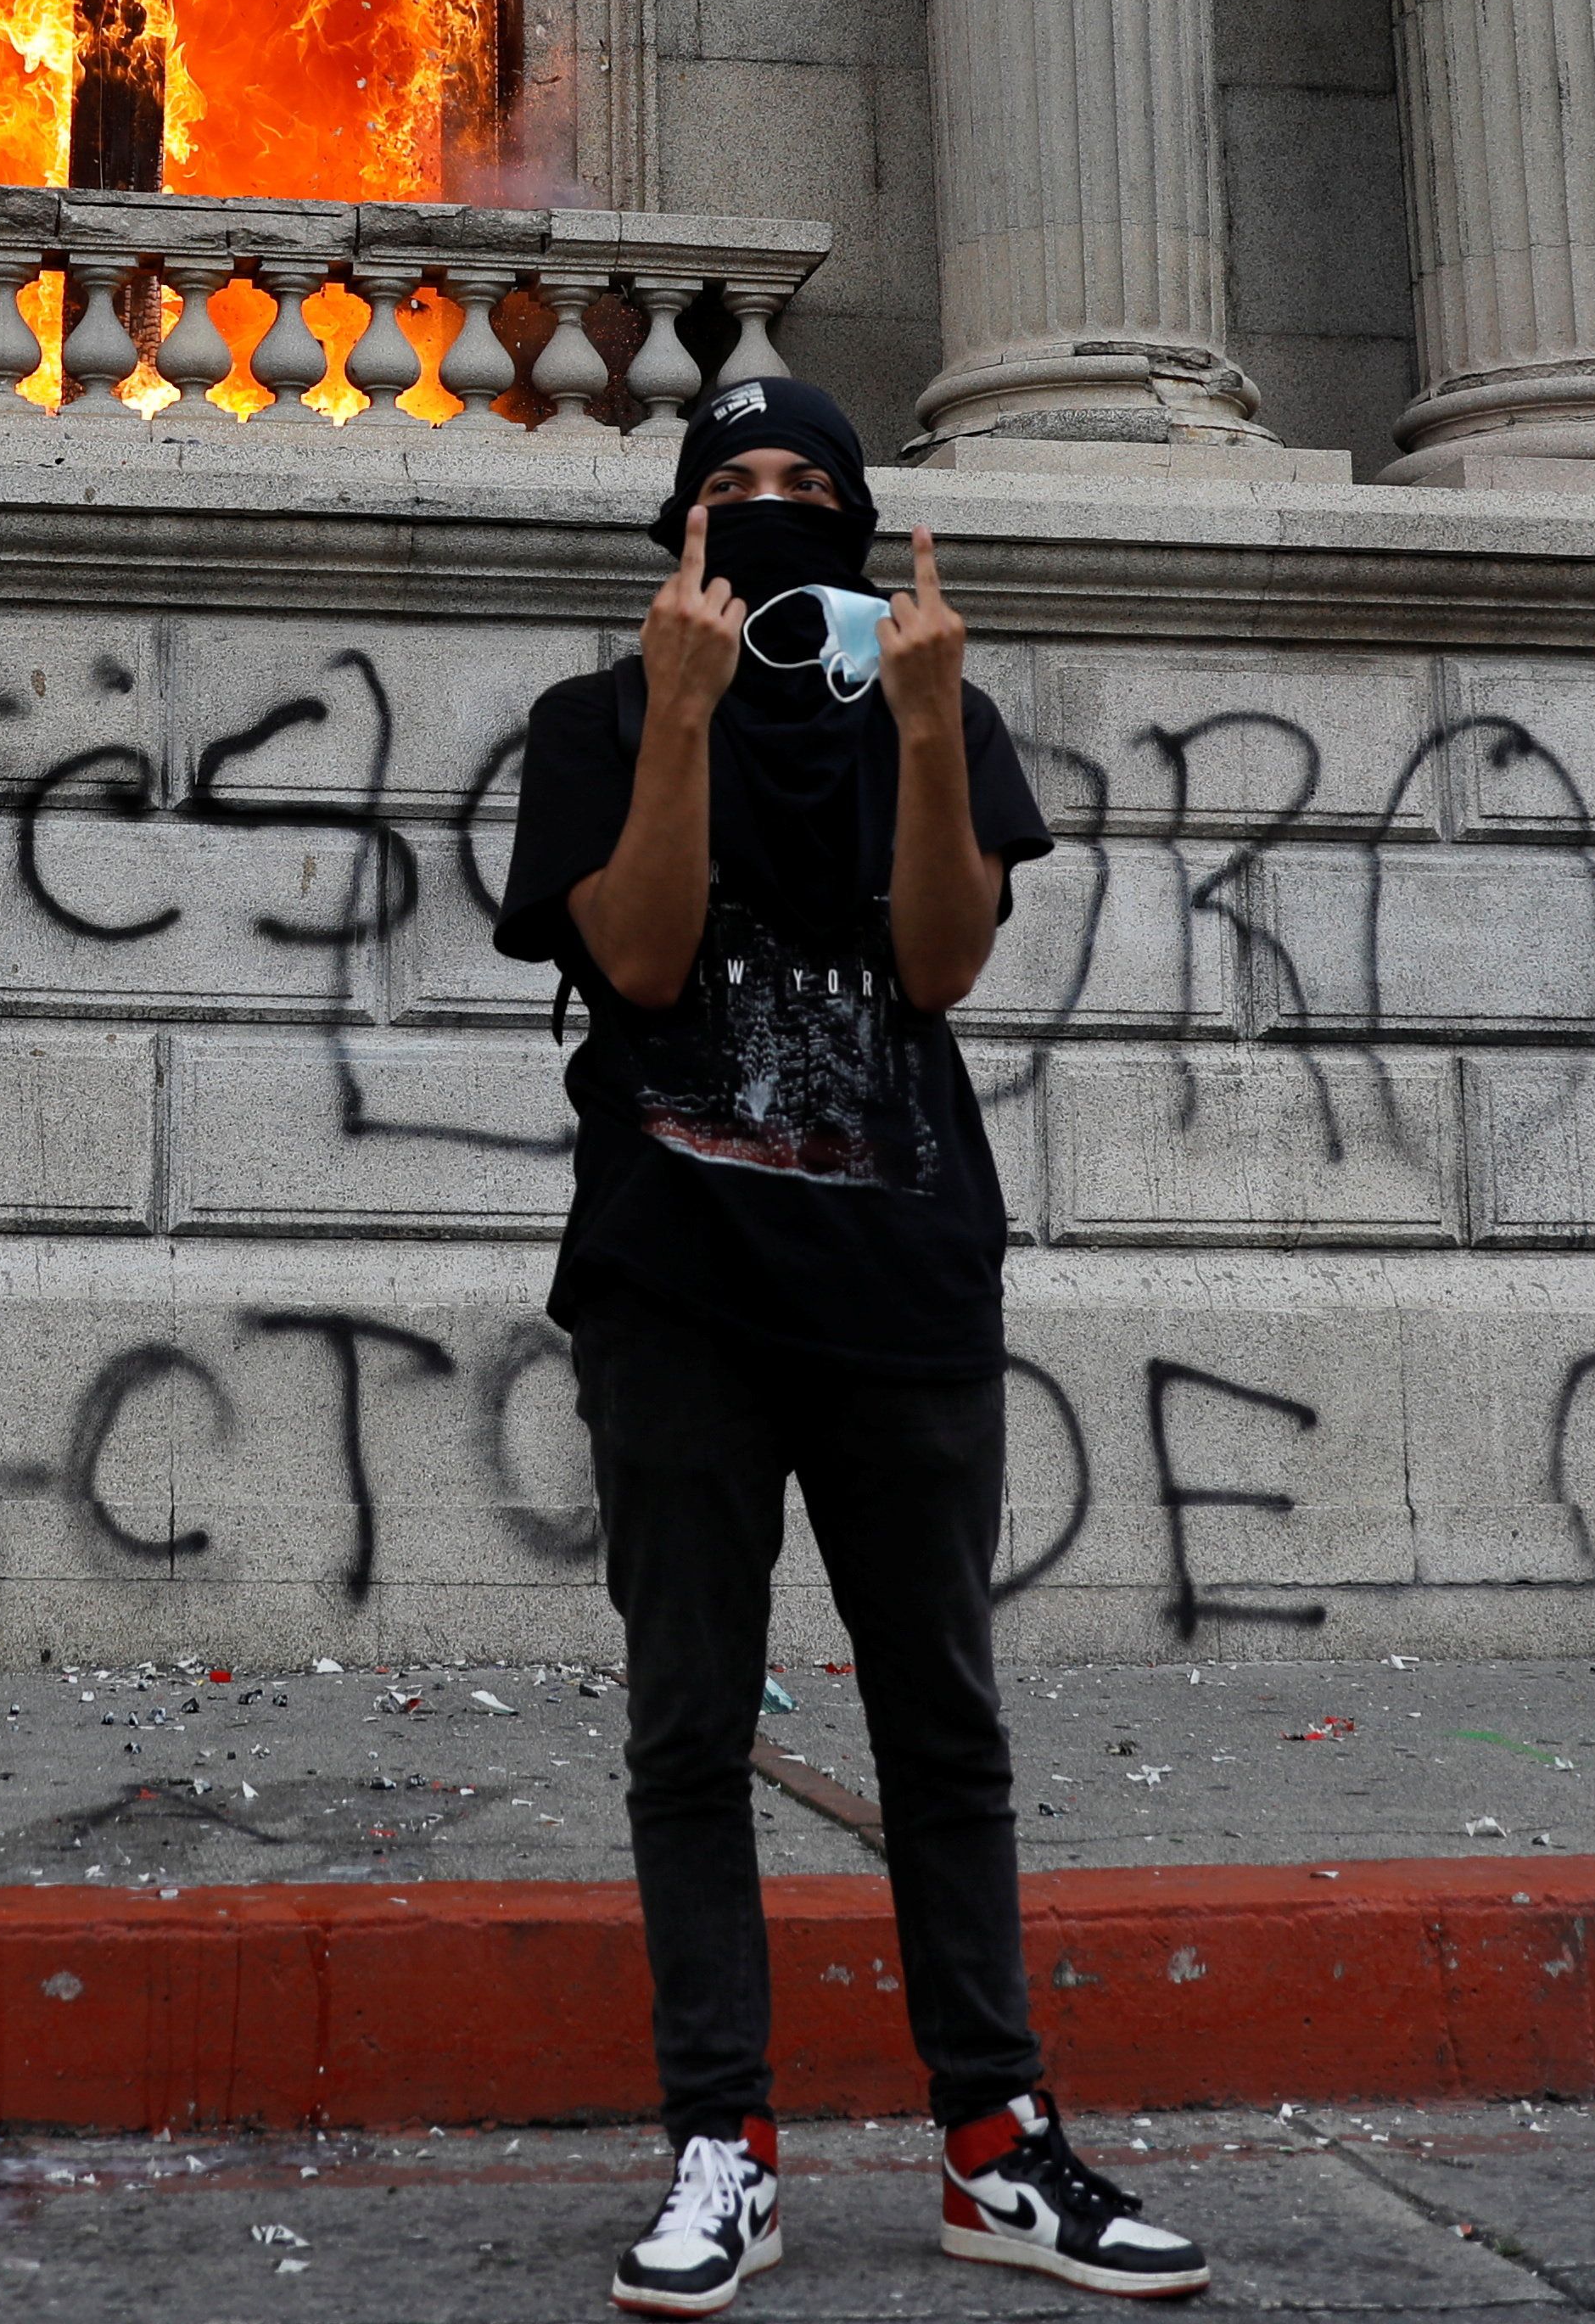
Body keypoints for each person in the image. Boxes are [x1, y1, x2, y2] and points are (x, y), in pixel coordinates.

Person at [493, 375, 1209, 2312]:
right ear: (684, 536)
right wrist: (684, 719)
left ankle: (996, 2142)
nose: (778, 507)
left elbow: (943, 962)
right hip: (677, 1291)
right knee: (690, 1727)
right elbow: (636, 961)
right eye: (737, 488)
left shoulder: (935, 711)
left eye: (814, 480)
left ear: (871, 514)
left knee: (944, 1724)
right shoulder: (595, 719)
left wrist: (914, 722)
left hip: (902, 1282)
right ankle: (721, 2144)